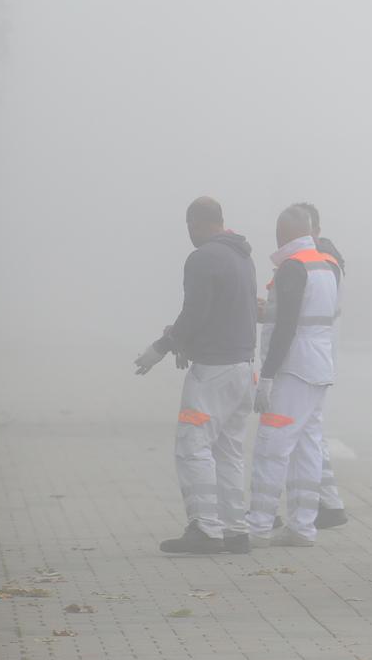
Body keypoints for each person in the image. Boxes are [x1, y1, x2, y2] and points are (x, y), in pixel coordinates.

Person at [134, 197, 257, 555]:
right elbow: (220, 312)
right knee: (229, 451)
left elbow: (196, 312)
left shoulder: (202, 258)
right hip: (242, 369)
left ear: (195, 224)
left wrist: (163, 345)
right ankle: (236, 530)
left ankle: (205, 527)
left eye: (189, 227)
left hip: (214, 372)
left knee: (192, 446)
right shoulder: (243, 256)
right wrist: (185, 340)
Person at [246, 204, 341, 546]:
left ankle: (256, 525)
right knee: (307, 447)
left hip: (292, 369)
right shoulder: (328, 265)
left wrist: (267, 376)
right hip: (318, 367)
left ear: (283, 234)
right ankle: (302, 526)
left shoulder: (292, 267)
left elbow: (286, 327)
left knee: (272, 447)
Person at [296, 202, 349, 529]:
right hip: (315, 355)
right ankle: (327, 501)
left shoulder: (320, 263)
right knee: (309, 429)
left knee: (301, 430)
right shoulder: (323, 260)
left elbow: (307, 311)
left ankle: (325, 503)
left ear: (316, 230)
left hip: (311, 357)